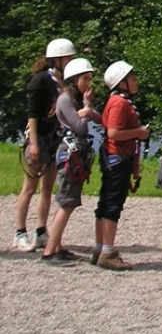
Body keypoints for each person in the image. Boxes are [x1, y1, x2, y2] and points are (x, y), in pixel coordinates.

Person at [12, 38, 77, 251]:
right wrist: (33, 143)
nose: (71, 61)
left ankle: (41, 230)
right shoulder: (40, 80)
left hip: (53, 138)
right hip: (38, 137)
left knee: (47, 188)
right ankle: (20, 232)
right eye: (68, 57)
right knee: (29, 187)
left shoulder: (64, 82)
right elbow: (32, 114)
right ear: (57, 59)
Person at [40, 57, 101, 265]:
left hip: (77, 153)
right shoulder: (66, 100)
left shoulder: (72, 99)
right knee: (66, 202)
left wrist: (88, 109)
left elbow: (94, 118)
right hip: (70, 154)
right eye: (85, 78)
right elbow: (80, 126)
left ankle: (56, 246)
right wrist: (86, 107)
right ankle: (49, 252)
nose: (89, 83)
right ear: (74, 79)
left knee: (68, 201)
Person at [93, 61, 149, 271]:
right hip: (117, 158)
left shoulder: (120, 101)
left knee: (107, 201)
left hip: (116, 157)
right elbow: (113, 133)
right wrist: (139, 133)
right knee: (112, 203)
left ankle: (100, 248)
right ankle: (107, 251)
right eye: (132, 78)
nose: (136, 81)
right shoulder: (119, 103)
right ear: (122, 83)